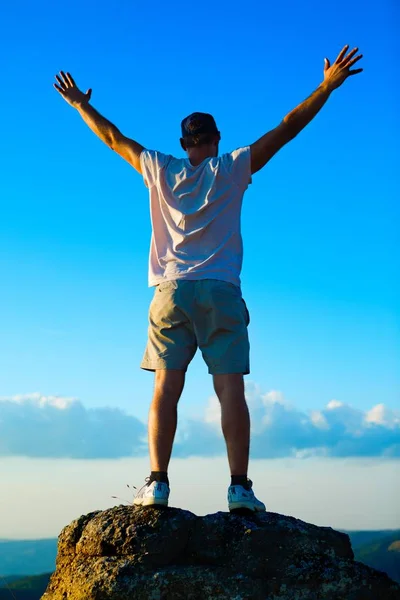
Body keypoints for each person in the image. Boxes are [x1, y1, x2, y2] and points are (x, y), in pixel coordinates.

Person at [54, 45, 363, 512]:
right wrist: (326, 87)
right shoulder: (232, 167)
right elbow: (284, 130)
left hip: (170, 290)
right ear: (215, 138)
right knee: (230, 390)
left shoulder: (160, 168)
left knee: (165, 386)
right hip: (221, 289)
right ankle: (239, 487)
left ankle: (156, 483)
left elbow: (114, 138)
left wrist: (81, 104)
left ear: (184, 143)